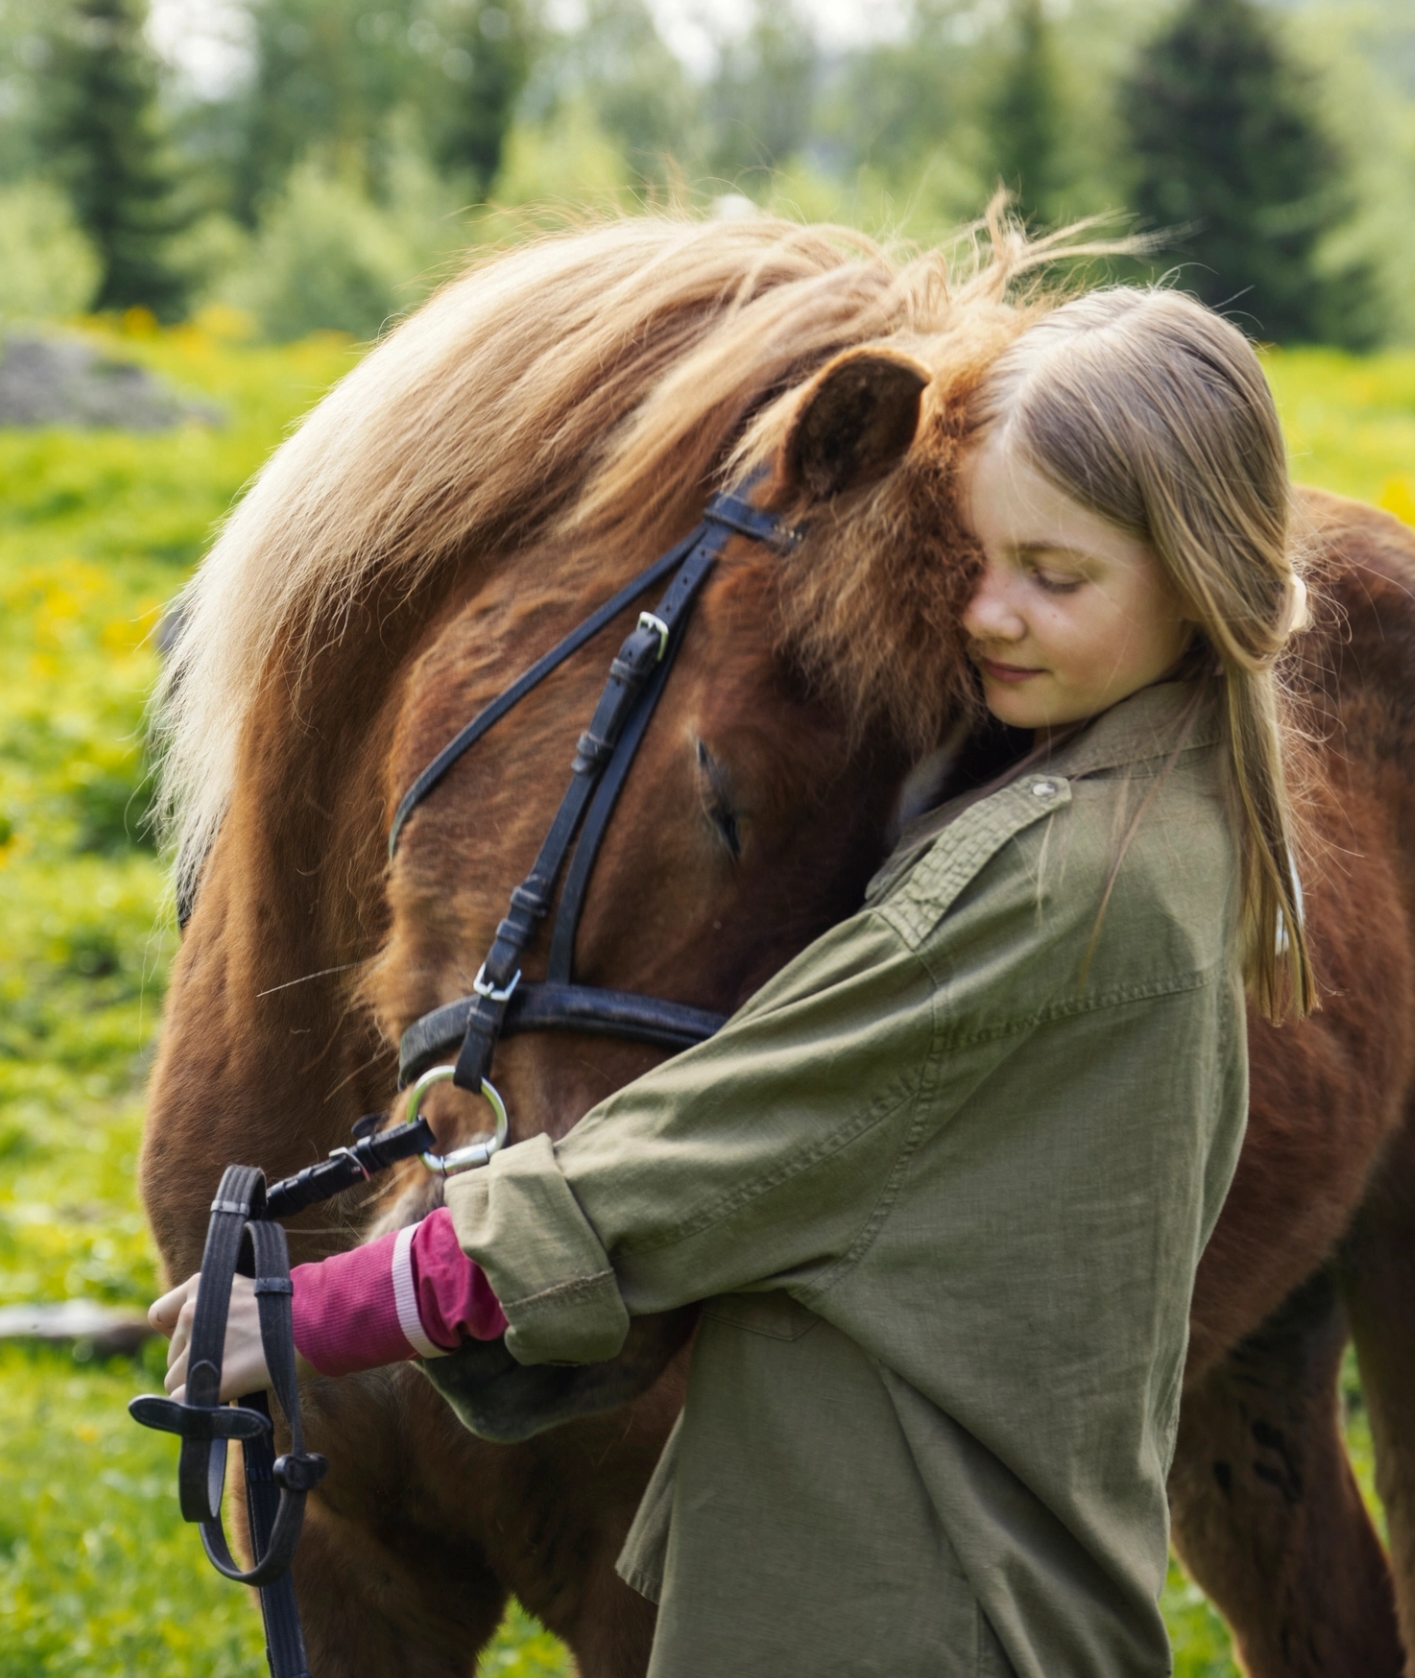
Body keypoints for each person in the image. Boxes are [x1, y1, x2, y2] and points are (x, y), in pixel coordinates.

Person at [153, 284, 1314, 1677]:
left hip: (906, 1619)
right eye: (981, 565)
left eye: (1055, 577)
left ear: (1206, 578)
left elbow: (709, 1163)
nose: (992, 617)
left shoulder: (1069, 887)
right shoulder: (1159, 811)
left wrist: (317, 1311)